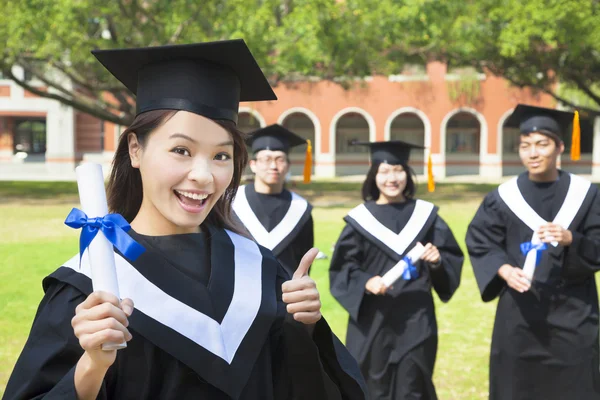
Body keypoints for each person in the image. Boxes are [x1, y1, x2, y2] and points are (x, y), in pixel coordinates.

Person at [4, 40, 367, 400]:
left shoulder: (258, 270)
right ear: (135, 149)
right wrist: (92, 366)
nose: (204, 175)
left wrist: (303, 327)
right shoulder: (89, 287)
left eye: (221, 156)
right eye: (181, 150)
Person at [465, 104, 600, 399]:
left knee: (576, 384)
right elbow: (481, 241)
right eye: (525, 146)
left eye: (542, 144)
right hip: (520, 315)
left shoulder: (586, 196)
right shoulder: (502, 198)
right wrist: (503, 269)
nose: (533, 153)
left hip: (573, 311)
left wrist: (571, 239)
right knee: (517, 385)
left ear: (559, 147)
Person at [329, 140, 464, 400]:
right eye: (384, 171)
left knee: (413, 386)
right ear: (374, 175)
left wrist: (436, 262)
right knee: (371, 384)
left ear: (408, 174)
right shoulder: (360, 220)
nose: (392, 178)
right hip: (372, 319)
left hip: (415, 317)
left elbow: (451, 260)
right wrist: (366, 282)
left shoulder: (426, 216)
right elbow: (343, 268)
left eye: (398, 170)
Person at [233, 124, 314, 277]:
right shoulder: (232, 202)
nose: (273, 166)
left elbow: (302, 260)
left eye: (280, 159)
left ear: (288, 166)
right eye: (266, 159)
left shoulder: (300, 209)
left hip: (284, 295)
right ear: (253, 165)